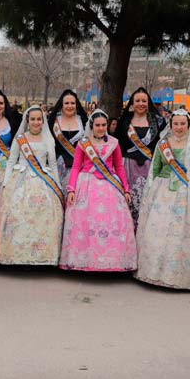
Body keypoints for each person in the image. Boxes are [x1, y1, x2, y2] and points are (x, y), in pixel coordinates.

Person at [135, 110, 190, 289]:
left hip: (186, 195)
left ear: (188, 125)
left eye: (183, 124)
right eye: (176, 123)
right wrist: (149, 193)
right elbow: (154, 170)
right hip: (163, 192)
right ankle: (153, 273)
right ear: (171, 124)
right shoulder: (163, 144)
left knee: (181, 234)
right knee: (158, 230)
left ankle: (178, 277)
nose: (179, 127)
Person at [61, 109, 136, 272]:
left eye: (104, 125)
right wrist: (72, 188)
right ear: (92, 126)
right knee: (86, 224)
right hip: (87, 184)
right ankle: (86, 260)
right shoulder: (83, 143)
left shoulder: (114, 143)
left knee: (111, 223)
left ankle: (111, 260)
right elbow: (75, 167)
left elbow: (120, 167)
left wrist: (126, 188)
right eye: (98, 125)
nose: (101, 128)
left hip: (110, 186)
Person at [0, 106, 63, 265]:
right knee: (17, 215)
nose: (36, 122)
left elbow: (53, 165)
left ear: (43, 121)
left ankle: (41, 256)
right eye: (32, 119)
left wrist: (58, 185)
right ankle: (17, 255)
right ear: (27, 120)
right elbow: (12, 161)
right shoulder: (20, 138)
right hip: (21, 180)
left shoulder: (48, 139)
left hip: (43, 181)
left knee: (45, 217)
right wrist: (6, 183)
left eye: (39, 119)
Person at [115, 87, 165, 227]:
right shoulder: (124, 122)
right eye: (137, 101)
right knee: (129, 201)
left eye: (144, 100)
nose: (141, 103)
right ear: (132, 103)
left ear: (148, 102)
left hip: (151, 167)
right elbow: (118, 145)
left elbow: (163, 144)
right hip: (128, 167)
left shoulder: (158, 121)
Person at [47, 89, 89, 190]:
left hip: (79, 168)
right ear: (61, 104)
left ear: (77, 105)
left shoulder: (83, 121)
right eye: (66, 103)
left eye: (72, 103)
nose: (70, 106)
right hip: (57, 167)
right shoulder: (53, 121)